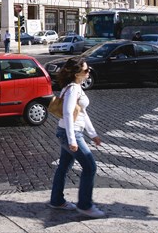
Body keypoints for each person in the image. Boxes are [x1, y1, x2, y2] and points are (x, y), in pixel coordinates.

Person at [49, 57, 104, 218]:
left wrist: (93, 134)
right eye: (86, 70)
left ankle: (56, 200)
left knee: (63, 167)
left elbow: (81, 112)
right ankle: (85, 205)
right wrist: (72, 140)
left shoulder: (75, 87)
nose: (89, 72)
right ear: (77, 73)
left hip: (67, 131)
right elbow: (67, 112)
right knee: (90, 167)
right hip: (70, 133)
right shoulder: (73, 89)